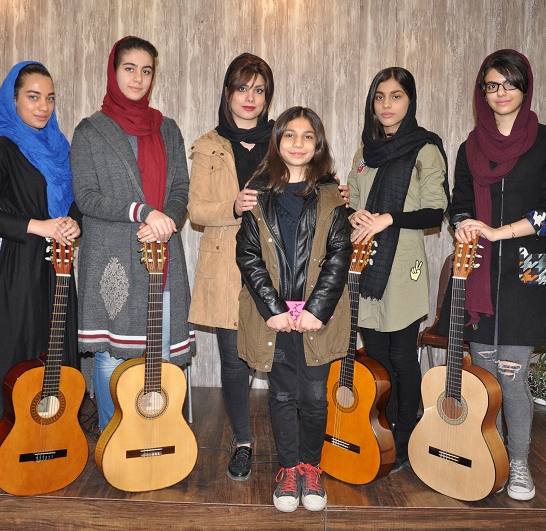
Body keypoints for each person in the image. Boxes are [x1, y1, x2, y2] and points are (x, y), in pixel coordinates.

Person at [439, 49, 546, 501]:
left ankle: (518, 463)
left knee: (512, 377)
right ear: (483, 91)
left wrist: (497, 232)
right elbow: (458, 202)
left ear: (524, 88)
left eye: (510, 84)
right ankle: (482, 453)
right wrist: (463, 224)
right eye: (493, 85)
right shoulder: (469, 147)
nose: (502, 92)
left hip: (527, 273)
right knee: (485, 378)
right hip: (477, 271)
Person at [70, 36, 195, 432]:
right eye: (129, 69)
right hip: (112, 259)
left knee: (161, 355)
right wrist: (143, 212)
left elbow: (181, 188)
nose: (138, 78)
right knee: (113, 356)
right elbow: (86, 196)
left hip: (162, 255)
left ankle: (156, 436)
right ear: (113, 71)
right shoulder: (90, 131)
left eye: (146, 71)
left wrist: (167, 219)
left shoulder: (168, 129)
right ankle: (114, 437)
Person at [236, 107, 351, 513]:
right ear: (277, 141)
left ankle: (311, 467)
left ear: (317, 144)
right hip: (277, 319)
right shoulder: (258, 195)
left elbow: (339, 255)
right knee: (282, 394)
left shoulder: (332, 196)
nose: (298, 143)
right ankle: (288, 468)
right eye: (289, 135)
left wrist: (317, 308)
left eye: (307, 136)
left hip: (319, 318)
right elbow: (248, 256)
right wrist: (273, 309)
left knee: (315, 396)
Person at [347, 67, 449, 473]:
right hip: (365, 264)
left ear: (410, 100)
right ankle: (382, 429)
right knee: (375, 354)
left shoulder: (425, 149)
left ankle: (407, 435)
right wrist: (352, 214)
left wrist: (389, 218)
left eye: (396, 96)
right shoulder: (364, 154)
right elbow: (354, 204)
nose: (387, 105)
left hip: (404, 263)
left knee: (403, 354)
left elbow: (435, 211)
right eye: (380, 97)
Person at [0, 61, 82, 421]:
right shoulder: (2, 149)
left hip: (59, 265)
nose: (43, 107)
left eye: (50, 98)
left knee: (59, 351)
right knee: (22, 353)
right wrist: (40, 226)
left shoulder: (60, 148)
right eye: (33, 97)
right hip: (18, 264)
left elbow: (75, 200)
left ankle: (59, 433)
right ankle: (18, 436)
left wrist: (73, 224)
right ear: (13, 99)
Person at [187, 53, 275, 481]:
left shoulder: (283, 139)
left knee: (282, 357)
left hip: (277, 265)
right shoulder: (209, 145)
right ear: (228, 93)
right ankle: (242, 442)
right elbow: (196, 210)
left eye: (259, 90)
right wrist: (233, 205)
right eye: (242, 88)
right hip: (226, 265)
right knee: (235, 361)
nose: (250, 98)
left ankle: (291, 445)